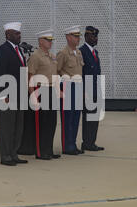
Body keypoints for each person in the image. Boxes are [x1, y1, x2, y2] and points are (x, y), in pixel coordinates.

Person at [0, 22, 28, 166]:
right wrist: (3, 95)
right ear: (8, 35)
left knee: (18, 127)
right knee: (7, 127)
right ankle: (5, 156)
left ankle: (14, 153)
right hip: (7, 95)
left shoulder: (19, 50)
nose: (19, 36)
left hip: (20, 95)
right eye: (16, 33)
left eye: (19, 33)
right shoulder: (3, 50)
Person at [27, 30, 61, 160]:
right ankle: (40, 152)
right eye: (48, 40)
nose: (50, 42)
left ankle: (49, 149)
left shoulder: (51, 56)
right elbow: (30, 76)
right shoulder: (35, 56)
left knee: (51, 122)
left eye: (51, 40)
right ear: (41, 41)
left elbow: (55, 75)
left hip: (51, 90)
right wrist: (33, 96)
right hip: (40, 90)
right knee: (41, 123)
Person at [57, 26, 85, 155]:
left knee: (75, 117)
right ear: (68, 37)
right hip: (68, 87)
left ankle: (72, 143)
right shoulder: (63, 53)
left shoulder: (78, 53)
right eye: (75, 36)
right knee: (67, 118)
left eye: (79, 36)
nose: (78, 38)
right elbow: (56, 71)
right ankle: (67, 146)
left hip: (78, 87)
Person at [80, 26, 104, 151]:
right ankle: (86, 142)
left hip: (96, 88)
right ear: (86, 36)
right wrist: (83, 91)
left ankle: (92, 142)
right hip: (88, 90)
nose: (96, 39)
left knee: (95, 118)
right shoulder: (82, 52)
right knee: (88, 118)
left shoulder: (95, 52)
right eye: (93, 36)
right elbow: (82, 73)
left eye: (96, 37)